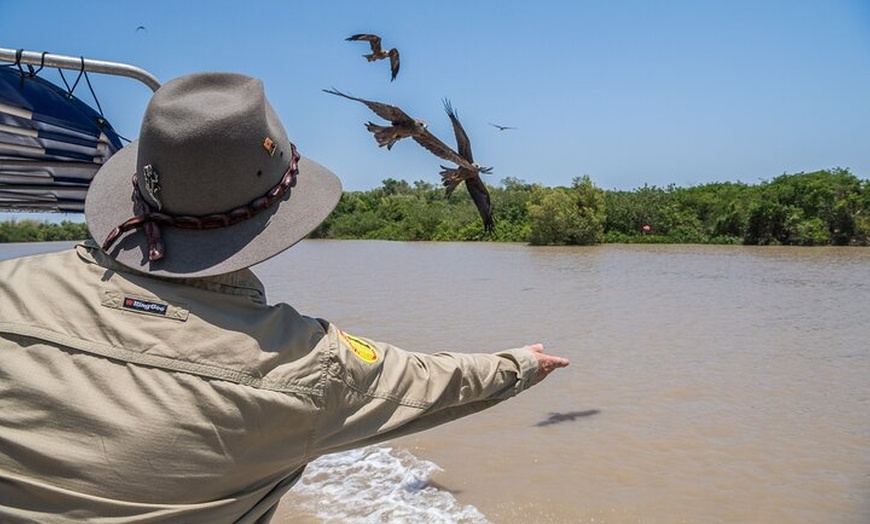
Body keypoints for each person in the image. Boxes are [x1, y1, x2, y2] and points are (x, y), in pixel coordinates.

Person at [0, 72, 569, 523]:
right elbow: (424, 380)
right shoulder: (303, 365)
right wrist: (519, 364)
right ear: (276, 218)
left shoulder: (12, 286)